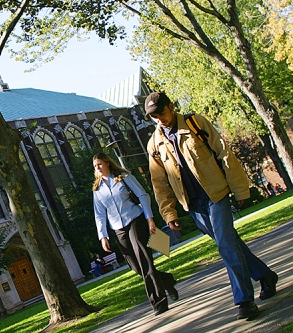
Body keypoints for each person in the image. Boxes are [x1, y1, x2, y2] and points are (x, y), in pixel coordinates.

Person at [145, 91, 278, 321]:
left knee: (226, 245)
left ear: (171, 106)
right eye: (154, 117)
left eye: (162, 113)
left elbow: (224, 153)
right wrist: (168, 212)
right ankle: (265, 275)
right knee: (230, 244)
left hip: (217, 194)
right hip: (193, 205)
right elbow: (159, 183)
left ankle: (244, 301)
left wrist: (240, 190)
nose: (160, 120)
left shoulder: (195, 123)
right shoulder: (154, 145)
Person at [92, 152, 178, 315]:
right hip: (118, 228)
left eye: (100, 164)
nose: (98, 168)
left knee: (145, 261)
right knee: (135, 266)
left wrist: (149, 219)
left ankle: (158, 302)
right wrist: (103, 236)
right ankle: (166, 280)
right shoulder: (97, 189)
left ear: (108, 163)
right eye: (95, 166)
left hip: (135, 220)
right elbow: (99, 214)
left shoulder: (123, 177)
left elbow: (142, 195)